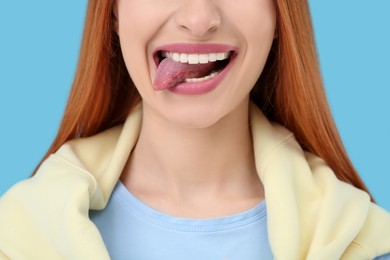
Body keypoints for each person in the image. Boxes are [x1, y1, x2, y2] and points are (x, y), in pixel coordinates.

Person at [0, 0, 389, 259]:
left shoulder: (365, 242)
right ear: (114, 11)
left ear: (278, 14)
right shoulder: (16, 236)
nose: (199, 19)